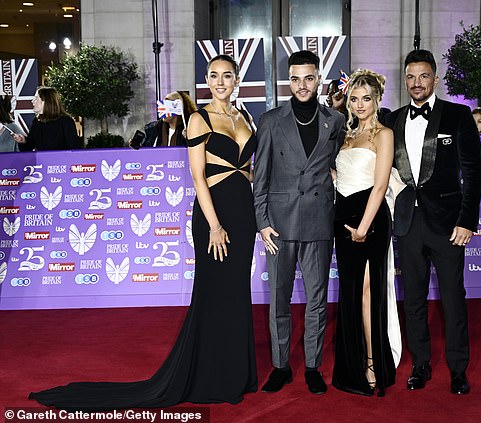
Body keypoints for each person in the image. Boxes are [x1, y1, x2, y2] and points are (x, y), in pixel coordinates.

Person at [29, 54, 258, 410]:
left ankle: (237, 372)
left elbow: (248, 170)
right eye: (213, 76)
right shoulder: (198, 119)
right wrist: (214, 225)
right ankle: (212, 376)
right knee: (214, 295)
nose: (220, 82)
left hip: (244, 216)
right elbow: (198, 177)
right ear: (206, 80)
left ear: (237, 80)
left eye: (227, 76)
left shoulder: (244, 117)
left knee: (237, 294)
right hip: (215, 216)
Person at [384, 49, 481, 395]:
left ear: (435, 79)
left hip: (448, 225)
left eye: (423, 76)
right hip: (408, 223)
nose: (416, 83)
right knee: (413, 299)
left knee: (453, 298)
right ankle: (421, 364)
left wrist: (467, 220)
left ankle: (458, 369)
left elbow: (472, 172)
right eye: (410, 77)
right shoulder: (392, 120)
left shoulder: (458, 115)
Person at [253, 50, 346, 395]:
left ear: (318, 79)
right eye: (295, 78)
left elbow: (343, 164)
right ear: (288, 81)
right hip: (278, 225)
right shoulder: (270, 121)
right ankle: (280, 366)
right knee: (279, 299)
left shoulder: (334, 121)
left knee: (317, 300)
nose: (302, 85)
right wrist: (262, 222)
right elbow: (259, 176)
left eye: (309, 78)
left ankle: (312, 366)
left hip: (319, 221)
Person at [331, 69, 401, 397]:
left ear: (377, 100)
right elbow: (342, 176)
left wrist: (363, 227)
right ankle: (352, 364)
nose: (360, 105)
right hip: (343, 217)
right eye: (354, 99)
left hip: (370, 219)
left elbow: (381, 185)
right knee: (350, 293)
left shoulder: (383, 134)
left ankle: (374, 363)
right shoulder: (346, 136)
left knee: (368, 294)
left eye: (366, 99)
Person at [13, 86, 82, 151]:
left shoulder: (66, 121)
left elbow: (74, 149)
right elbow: (29, 146)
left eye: (36, 98)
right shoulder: (37, 121)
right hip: (43, 163)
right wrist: (23, 140)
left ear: (45, 101)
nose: (32, 101)